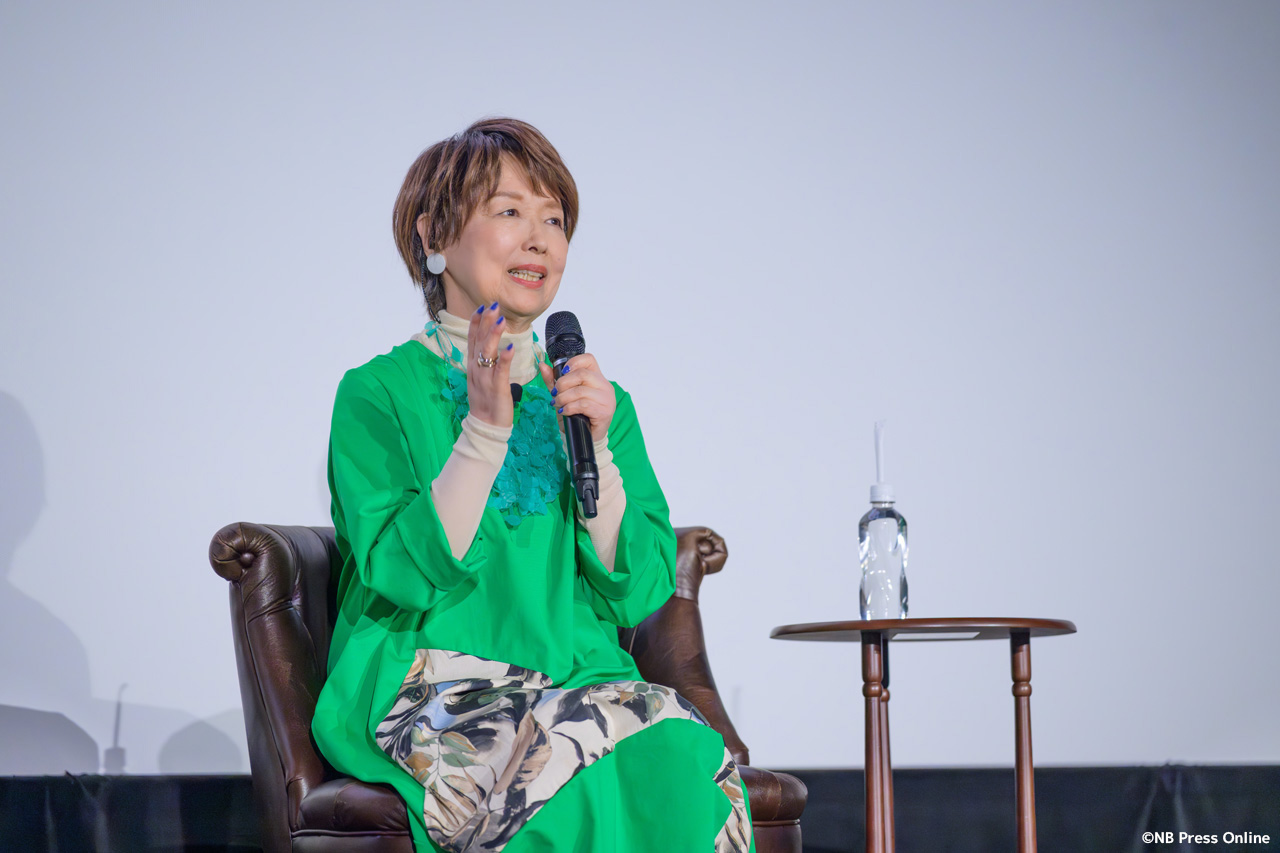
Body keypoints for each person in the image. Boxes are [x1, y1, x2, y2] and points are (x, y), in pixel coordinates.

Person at [312, 117, 754, 853]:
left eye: (554, 220)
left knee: (680, 750)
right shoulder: (377, 391)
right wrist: (484, 434)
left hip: (577, 673)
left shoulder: (597, 402)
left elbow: (638, 588)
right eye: (510, 211)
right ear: (434, 235)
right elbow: (401, 572)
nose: (540, 240)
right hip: (430, 679)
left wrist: (599, 448)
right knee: (572, 750)